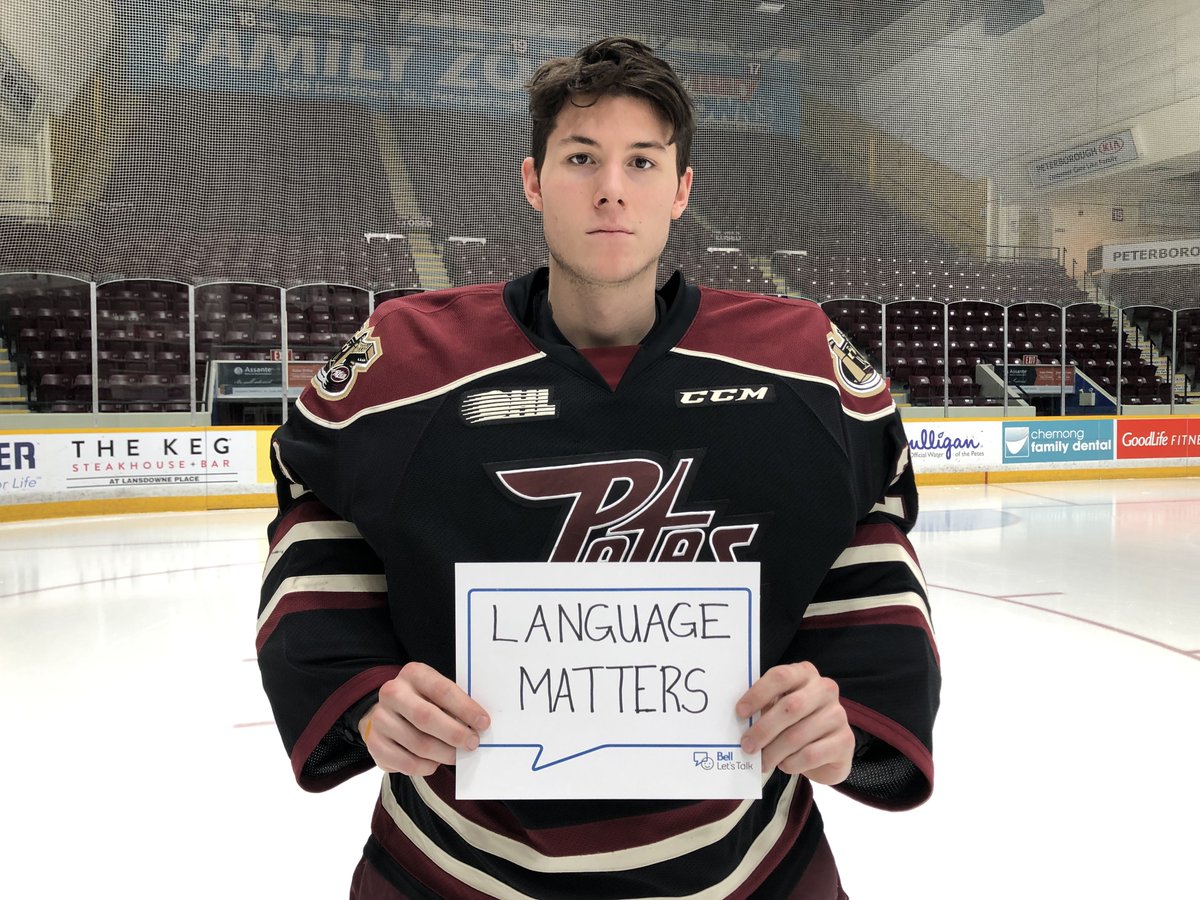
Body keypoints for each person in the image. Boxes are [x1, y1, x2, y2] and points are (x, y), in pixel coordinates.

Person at [258, 36, 940, 899]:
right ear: (533, 180)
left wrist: (848, 718)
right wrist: (363, 694)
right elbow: (313, 501)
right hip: (451, 869)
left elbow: (872, 516)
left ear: (681, 189)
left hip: (747, 868)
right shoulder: (407, 358)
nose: (612, 187)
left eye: (642, 161)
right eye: (581, 158)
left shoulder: (801, 363)